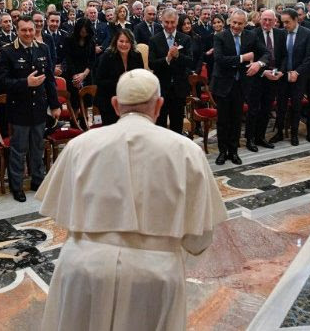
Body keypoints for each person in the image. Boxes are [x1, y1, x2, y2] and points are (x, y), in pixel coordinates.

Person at [36, 68, 227, 331]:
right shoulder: (187, 152)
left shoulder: (80, 145)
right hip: (153, 275)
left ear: (115, 105)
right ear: (159, 105)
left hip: (83, 269)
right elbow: (199, 239)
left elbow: (59, 210)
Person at [0, 16, 61, 202]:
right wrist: (26, 82)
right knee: (18, 149)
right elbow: (2, 81)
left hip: (39, 107)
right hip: (19, 108)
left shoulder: (43, 48)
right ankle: (16, 186)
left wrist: (55, 104)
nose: (27, 33)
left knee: (37, 146)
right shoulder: (8, 51)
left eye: (31, 30)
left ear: (36, 30)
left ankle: (37, 180)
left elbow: (49, 79)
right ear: (17, 31)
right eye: (23, 30)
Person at [211, 10, 257, 165]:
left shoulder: (251, 36)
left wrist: (259, 63)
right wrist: (243, 58)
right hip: (223, 84)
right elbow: (219, 59)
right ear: (229, 21)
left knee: (236, 120)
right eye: (234, 22)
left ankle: (234, 151)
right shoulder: (220, 37)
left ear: (245, 23)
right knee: (223, 121)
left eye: (240, 23)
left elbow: (264, 53)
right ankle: (222, 152)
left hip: (240, 85)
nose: (236, 26)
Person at [270, 8, 310, 146]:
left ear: (296, 20)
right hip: (282, 76)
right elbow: (278, 56)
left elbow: (309, 58)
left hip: (299, 77)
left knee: (296, 106)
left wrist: (297, 72)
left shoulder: (307, 34)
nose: (285, 25)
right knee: (281, 106)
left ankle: (294, 134)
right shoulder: (281, 34)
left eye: (287, 22)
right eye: (282, 22)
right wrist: (277, 71)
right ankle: (279, 133)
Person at [148, 8, 193, 134]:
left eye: (172, 22)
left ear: (177, 22)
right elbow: (152, 64)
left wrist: (178, 55)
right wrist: (167, 59)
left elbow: (190, 61)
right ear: (161, 21)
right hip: (162, 88)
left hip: (179, 88)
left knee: (177, 124)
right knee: (160, 124)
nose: (169, 25)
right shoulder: (154, 40)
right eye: (166, 22)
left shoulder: (185, 39)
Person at [246, 10, 282, 151]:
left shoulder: (280, 34)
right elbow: (250, 59)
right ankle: (250, 139)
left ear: (275, 21)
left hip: (273, 77)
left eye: (270, 20)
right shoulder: (252, 34)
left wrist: (281, 72)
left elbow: (283, 56)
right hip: (257, 78)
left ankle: (260, 137)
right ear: (260, 19)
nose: (266, 23)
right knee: (253, 110)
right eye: (264, 19)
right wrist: (263, 71)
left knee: (266, 109)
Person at [95, 29, 145, 125]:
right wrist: (120, 81)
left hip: (130, 102)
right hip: (108, 101)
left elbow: (140, 78)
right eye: (121, 41)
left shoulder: (137, 56)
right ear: (116, 41)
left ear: (131, 43)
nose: (124, 44)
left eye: (127, 42)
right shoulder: (107, 56)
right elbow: (99, 81)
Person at [62, 18, 97, 120]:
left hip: (86, 73)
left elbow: (92, 61)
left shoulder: (91, 41)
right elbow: (69, 59)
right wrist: (75, 77)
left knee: (87, 102)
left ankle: (84, 122)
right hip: (73, 73)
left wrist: (84, 75)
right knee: (75, 102)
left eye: (86, 32)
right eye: (82, 32)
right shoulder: (69, 39)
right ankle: (74, 122)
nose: (84, 34)